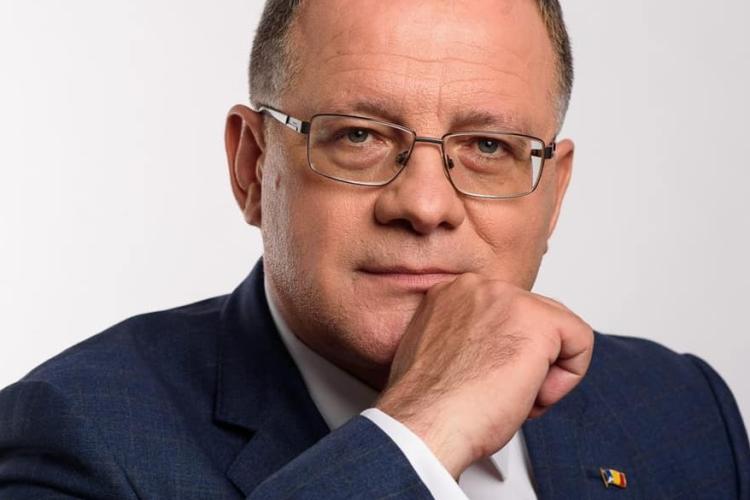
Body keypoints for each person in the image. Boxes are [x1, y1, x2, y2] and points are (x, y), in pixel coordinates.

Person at [1, 0, 748, 498]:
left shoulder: (682, 410)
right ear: (252, 167)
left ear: (553, 193)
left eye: (489, 146)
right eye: (358, 136)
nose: (424, 206)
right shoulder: (74, 436)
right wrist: (421, 431)